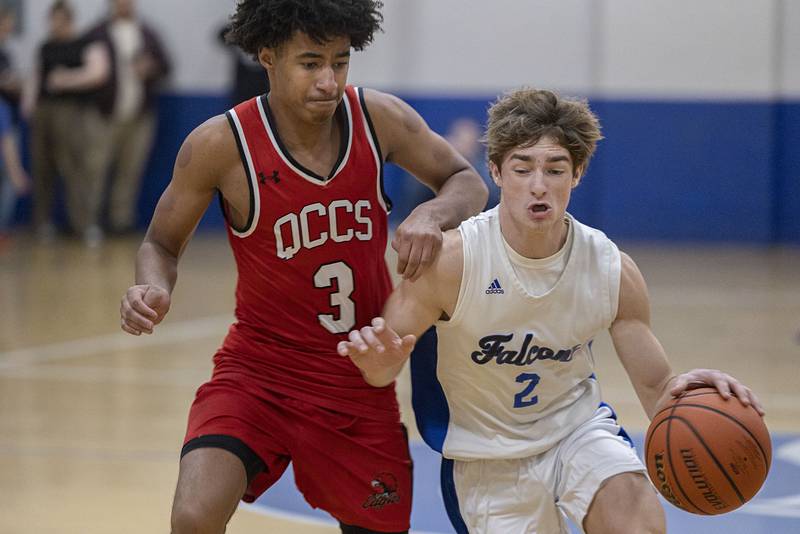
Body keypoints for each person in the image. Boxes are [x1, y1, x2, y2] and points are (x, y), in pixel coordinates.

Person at [119, 1, 487, 533]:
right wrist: (149, 287)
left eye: (340, 62)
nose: (328, 80)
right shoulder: (221, 144)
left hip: (358, 379)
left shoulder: (377, 118)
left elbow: (465, 181)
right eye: (310, 63)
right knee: (194, 516)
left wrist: (431, 213)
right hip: (258, 373)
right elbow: (160, 242)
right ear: (267, 57)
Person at [338, 88, 765, 534]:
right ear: (497, 171)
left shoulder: (610, 268)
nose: (538, 185)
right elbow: (380, 367)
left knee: (636, 516)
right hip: (486, 459)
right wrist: (379, 363)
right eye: (522, 169)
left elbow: (656, 386)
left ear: (577, 173)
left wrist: (687, 392)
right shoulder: (450, 263)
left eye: (555, 169)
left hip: (576, 435)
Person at [22, 0, 110, 245]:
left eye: (59, 20)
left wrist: (65, 80)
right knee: (42, 167)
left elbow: (97, 74)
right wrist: (29, 103)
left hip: (72, 112)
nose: (54, 25)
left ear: (69, 20)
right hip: (45, 111)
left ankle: (84, 224)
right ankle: (41, 222)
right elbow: (38, 75)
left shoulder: (85, 44)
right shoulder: (47, 46)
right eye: (51, 20)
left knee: (74, 167)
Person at [87, 0, 171, 234]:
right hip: (104, 115)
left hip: (140, 116)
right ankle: (89, 222)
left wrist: (150, 68)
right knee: (95, 170)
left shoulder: (147, 33)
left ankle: (120, 220)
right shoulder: (97, 33)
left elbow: (166, 66)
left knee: (130, 170)